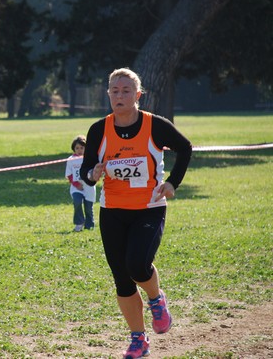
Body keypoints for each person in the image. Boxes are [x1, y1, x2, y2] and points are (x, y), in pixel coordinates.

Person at [80, 68, 192, 359]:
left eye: (126, 90)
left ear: (138, 95)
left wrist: (172, 182)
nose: (119, 95)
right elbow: (87, 170)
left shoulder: (156, 126)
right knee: (122, 278)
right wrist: (93, 173)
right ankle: (138, 340)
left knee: (138, 265)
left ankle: (156, 299)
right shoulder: (98, 130)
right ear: (108, 95)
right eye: (114, 91)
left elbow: (185, 147)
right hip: (113, 211)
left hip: (149, 209)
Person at [65, 135, 96, 232]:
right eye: (77, 148)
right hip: (76, 188)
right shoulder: (71, 160)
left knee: (88, 208)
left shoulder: (91, 158)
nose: (79, 150)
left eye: (82, 148)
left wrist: (93, 178)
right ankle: (79, 223)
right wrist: (76, 184)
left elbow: (95, 171)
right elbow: (69, 174)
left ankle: (89, 225)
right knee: (77, 202)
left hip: (89, 187)